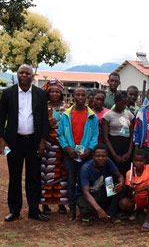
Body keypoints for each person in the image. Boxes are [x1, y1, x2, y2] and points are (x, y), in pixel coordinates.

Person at [0, 64, 49, 222]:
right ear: (17, 74)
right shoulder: (8, 93)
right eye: (21, 72)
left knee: (34, 177)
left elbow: (43, 120)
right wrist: (1, 140)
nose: (24, 75)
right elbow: (1, 118)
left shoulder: (41, 94)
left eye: (27, 73)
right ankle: (14, 210)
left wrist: (42, 140)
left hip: (34, 142)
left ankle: (34, 210)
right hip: (14, 142)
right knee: (14, 177)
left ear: (32, 76)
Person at [58, 87, 99, 220]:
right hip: (70, 155)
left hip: (85, 155)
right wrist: (68, 149)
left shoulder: (92, 116)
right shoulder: (66, 115)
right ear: (73, 97)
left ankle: (83, 209)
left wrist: (89, 150)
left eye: (83, 95)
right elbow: (60, 134)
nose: (80, 97)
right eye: (77, 95)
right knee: (70, 182)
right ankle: (72, 210)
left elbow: (95, 136)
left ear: (86, 97)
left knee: (84, 183)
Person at [76, 144, 125, 223]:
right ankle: (88, 214)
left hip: (100, 193)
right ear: (93, 156)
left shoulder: (108, 161)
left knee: (119, 186)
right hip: (86, 196)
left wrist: (122, 183)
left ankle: (110, 214)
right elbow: (86, 193)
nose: (101, 158)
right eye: (97, 156)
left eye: (103, 156)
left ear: (107, 156)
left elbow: (120, 176)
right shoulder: (85, 169)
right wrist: (99, 210)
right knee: (85, 206)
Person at [40, 78, 68, 215]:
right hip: (47, 146)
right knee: (46, 175)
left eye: (58, 92)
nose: (55, 94)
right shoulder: (42, 108)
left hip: (62, 147)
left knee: (62, 176)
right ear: (48, 93)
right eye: (52, 91)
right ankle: (45, 204)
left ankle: (61, 204)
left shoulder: (67, 108)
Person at [119, 149, 149, 232]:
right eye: (136, 161)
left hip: (148, 198)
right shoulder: (129, 173)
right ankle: (136, 211)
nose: (138, 163)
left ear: (145, 161)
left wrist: (139, 190)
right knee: (123, 203)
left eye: (141, 161)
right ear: (133, 161)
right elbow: (129, 193)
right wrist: (131, 188)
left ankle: (148, 218)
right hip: (136, 198)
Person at [102, 91, 134, 177]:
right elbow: (105, 137)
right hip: (113, 146)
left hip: (126, 147)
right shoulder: (107, 115)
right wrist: (114, 155)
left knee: (126, 174)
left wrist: (129, 152)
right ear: (116, 101)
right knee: (112, 173)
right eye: (122, 103)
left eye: (126, 103)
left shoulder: (129, 114)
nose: (124, 106)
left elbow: (132, 135)